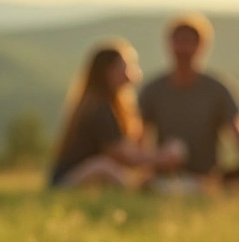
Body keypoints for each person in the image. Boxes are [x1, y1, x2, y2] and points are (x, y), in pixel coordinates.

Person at [138, 14, 239, 177]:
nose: (183, 49)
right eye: (179, 41)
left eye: (189, 42)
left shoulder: (217, 90)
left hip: (206, 177)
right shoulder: (153, 90)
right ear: (169, 45)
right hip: (163, 176)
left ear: (202, 46)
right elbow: (138, 139)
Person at [49, 40, 178, 188]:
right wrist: (163, 157)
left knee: (108, 168)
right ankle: (136, 191)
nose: (130, 71)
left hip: (80, 178)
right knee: (103, 166)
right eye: (124, 66)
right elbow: (122, 155)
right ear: (107, 71)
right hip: (67, 181)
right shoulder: (98, 108)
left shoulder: (106, 104)